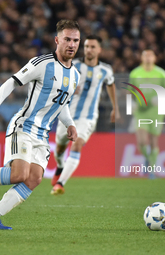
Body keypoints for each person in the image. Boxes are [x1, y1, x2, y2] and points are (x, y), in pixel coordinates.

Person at [0, 20, 81, 230]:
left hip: (43, 134)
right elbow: (12, 81)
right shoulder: (42, 63)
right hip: (24, 126)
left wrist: (70, 124)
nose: (71, 44)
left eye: (75, 40)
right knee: (19, 174)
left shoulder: (75, 75)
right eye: (67, 39)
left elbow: (62, 104)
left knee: (35, 178)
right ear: (57, 40)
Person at [51, 35, 119, 195]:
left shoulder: (105, 70)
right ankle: (60, 167)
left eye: (93, 47)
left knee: (77, 143)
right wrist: (70, 89)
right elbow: (58, 82)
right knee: (60, 148)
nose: (89, 50)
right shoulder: (73, 65)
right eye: (87, 46)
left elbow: (111, 84)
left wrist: (115, 107)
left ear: (99, 50)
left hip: (87, 118)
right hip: (66, 115)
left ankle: (60, 183)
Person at [129, 49, 165, 178]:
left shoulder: (161, 73)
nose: (148, 58)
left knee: (154, 140)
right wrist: (132, 102)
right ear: (141, 58)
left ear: (154, 58)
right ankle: (148, 158)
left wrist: (161, 98)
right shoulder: (135, 73)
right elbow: (130, 90)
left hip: (156, 111)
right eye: (145, 56)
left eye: (150, 56)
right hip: (141, 111)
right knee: (141, 141)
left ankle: (152, 170)